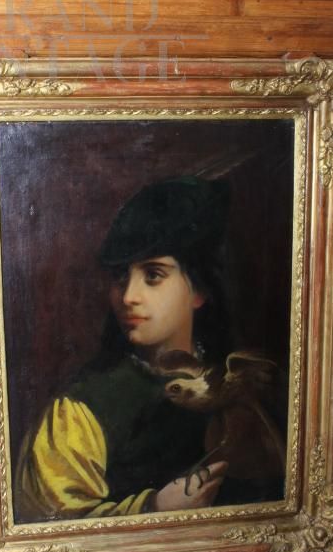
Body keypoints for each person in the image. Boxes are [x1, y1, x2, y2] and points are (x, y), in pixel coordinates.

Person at [15, 176, 284, 523]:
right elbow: (52, 526)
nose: (128, 297)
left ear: (199, 290)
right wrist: (154, 508)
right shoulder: (78, 412)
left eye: (153, 275)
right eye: (120, 277)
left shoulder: (239, 378)